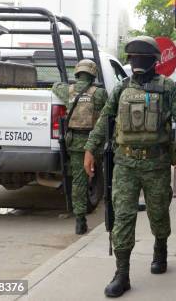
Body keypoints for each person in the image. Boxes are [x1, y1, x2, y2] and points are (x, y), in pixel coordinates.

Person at [83, 36, 176, 298]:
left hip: (156, 164)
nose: (137, 64)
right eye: (133, 59)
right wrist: (91, 149)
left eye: (141, 59)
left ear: (154, 62)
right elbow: (105, 120)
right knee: (122, 217)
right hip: (124, 164)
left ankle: (160, 248)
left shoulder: (167, 89)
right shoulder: (121, 89)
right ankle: (122, 274)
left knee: (158, 212)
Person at [52, 59, 107, 235]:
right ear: (93, 74)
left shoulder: (68, 91)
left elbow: (55, 86)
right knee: (101, 175)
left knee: (79, 181)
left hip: (76, 144)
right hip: (95, 143)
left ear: (77, 73)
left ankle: (80, 221)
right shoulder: (100, 93)